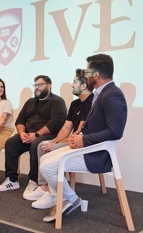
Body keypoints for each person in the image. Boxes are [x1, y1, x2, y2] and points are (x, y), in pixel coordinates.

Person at [39, 54, 127, 222]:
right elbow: (96, 126)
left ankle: (71, 200)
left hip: (97, 155)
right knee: (45, 160)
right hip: (87, 148)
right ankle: (66, 199)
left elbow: (115, 131)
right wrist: (78, 137)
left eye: (87, 72)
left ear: (96, 75)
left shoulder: (112, 95)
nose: (85, 76)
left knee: (48, 167)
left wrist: (84, 140)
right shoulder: (102, 94)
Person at [24, 69, 93, 208]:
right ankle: (44, 188)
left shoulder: (92, 102)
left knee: (45, 147)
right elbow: (66, 128)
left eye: (74, 82)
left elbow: (80, 132)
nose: (71, 85)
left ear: (84, 86)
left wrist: (55, 145)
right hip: (72, 140)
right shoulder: (75, 104)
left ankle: (52, 192)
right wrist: (54, 141)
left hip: (81, 143)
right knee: (43, 144)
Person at [0, 75, 67, 193]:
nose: (37, 88)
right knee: (11, 143)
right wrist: (22, 132)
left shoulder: (57, 101)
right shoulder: (30, 102)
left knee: (36, 145)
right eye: (35, 85)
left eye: (40, 85)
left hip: (48, 136)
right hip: (28, 135)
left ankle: (34, 181)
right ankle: (12, 180)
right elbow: (20, 120)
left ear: (49, 86)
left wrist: (36, 135)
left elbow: (56, 123)